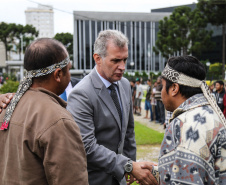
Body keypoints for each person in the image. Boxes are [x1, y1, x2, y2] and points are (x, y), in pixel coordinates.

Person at [67, 30, 157, 185]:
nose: (122, 67)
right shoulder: (81, 94)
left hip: (120, 179)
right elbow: (87, 147)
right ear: (98, 58)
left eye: (125, 60)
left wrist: (131, 169)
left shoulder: (124, 85)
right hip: (93, 180)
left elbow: (128, 133)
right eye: (116, 60)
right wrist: (128, 166)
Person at [0, 38, 88, 184]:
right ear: (58, 74)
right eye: (69, 69)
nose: (70, 75)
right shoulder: (58, 121)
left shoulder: (6, 108)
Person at [158, 56, 226, 184]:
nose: (161, 92)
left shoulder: (187, 126)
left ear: (174, 88)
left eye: (162, 86)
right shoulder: (211, 114)